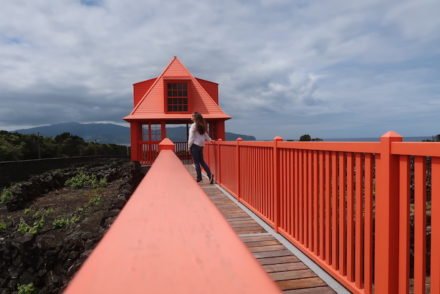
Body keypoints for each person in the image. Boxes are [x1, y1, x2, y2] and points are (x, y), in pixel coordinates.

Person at [188, 112, 214, 184]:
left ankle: (199, 178)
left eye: (192, 115)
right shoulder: (201, 125)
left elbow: (191, 138)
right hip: (201, 145)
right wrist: (210, 139)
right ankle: (210, 175)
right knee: (202, 161)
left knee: (196, 162)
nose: (191, 116)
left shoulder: (193, 126)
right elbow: (205, 135)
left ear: (195, 118)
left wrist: (189, 146)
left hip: (194, 145)